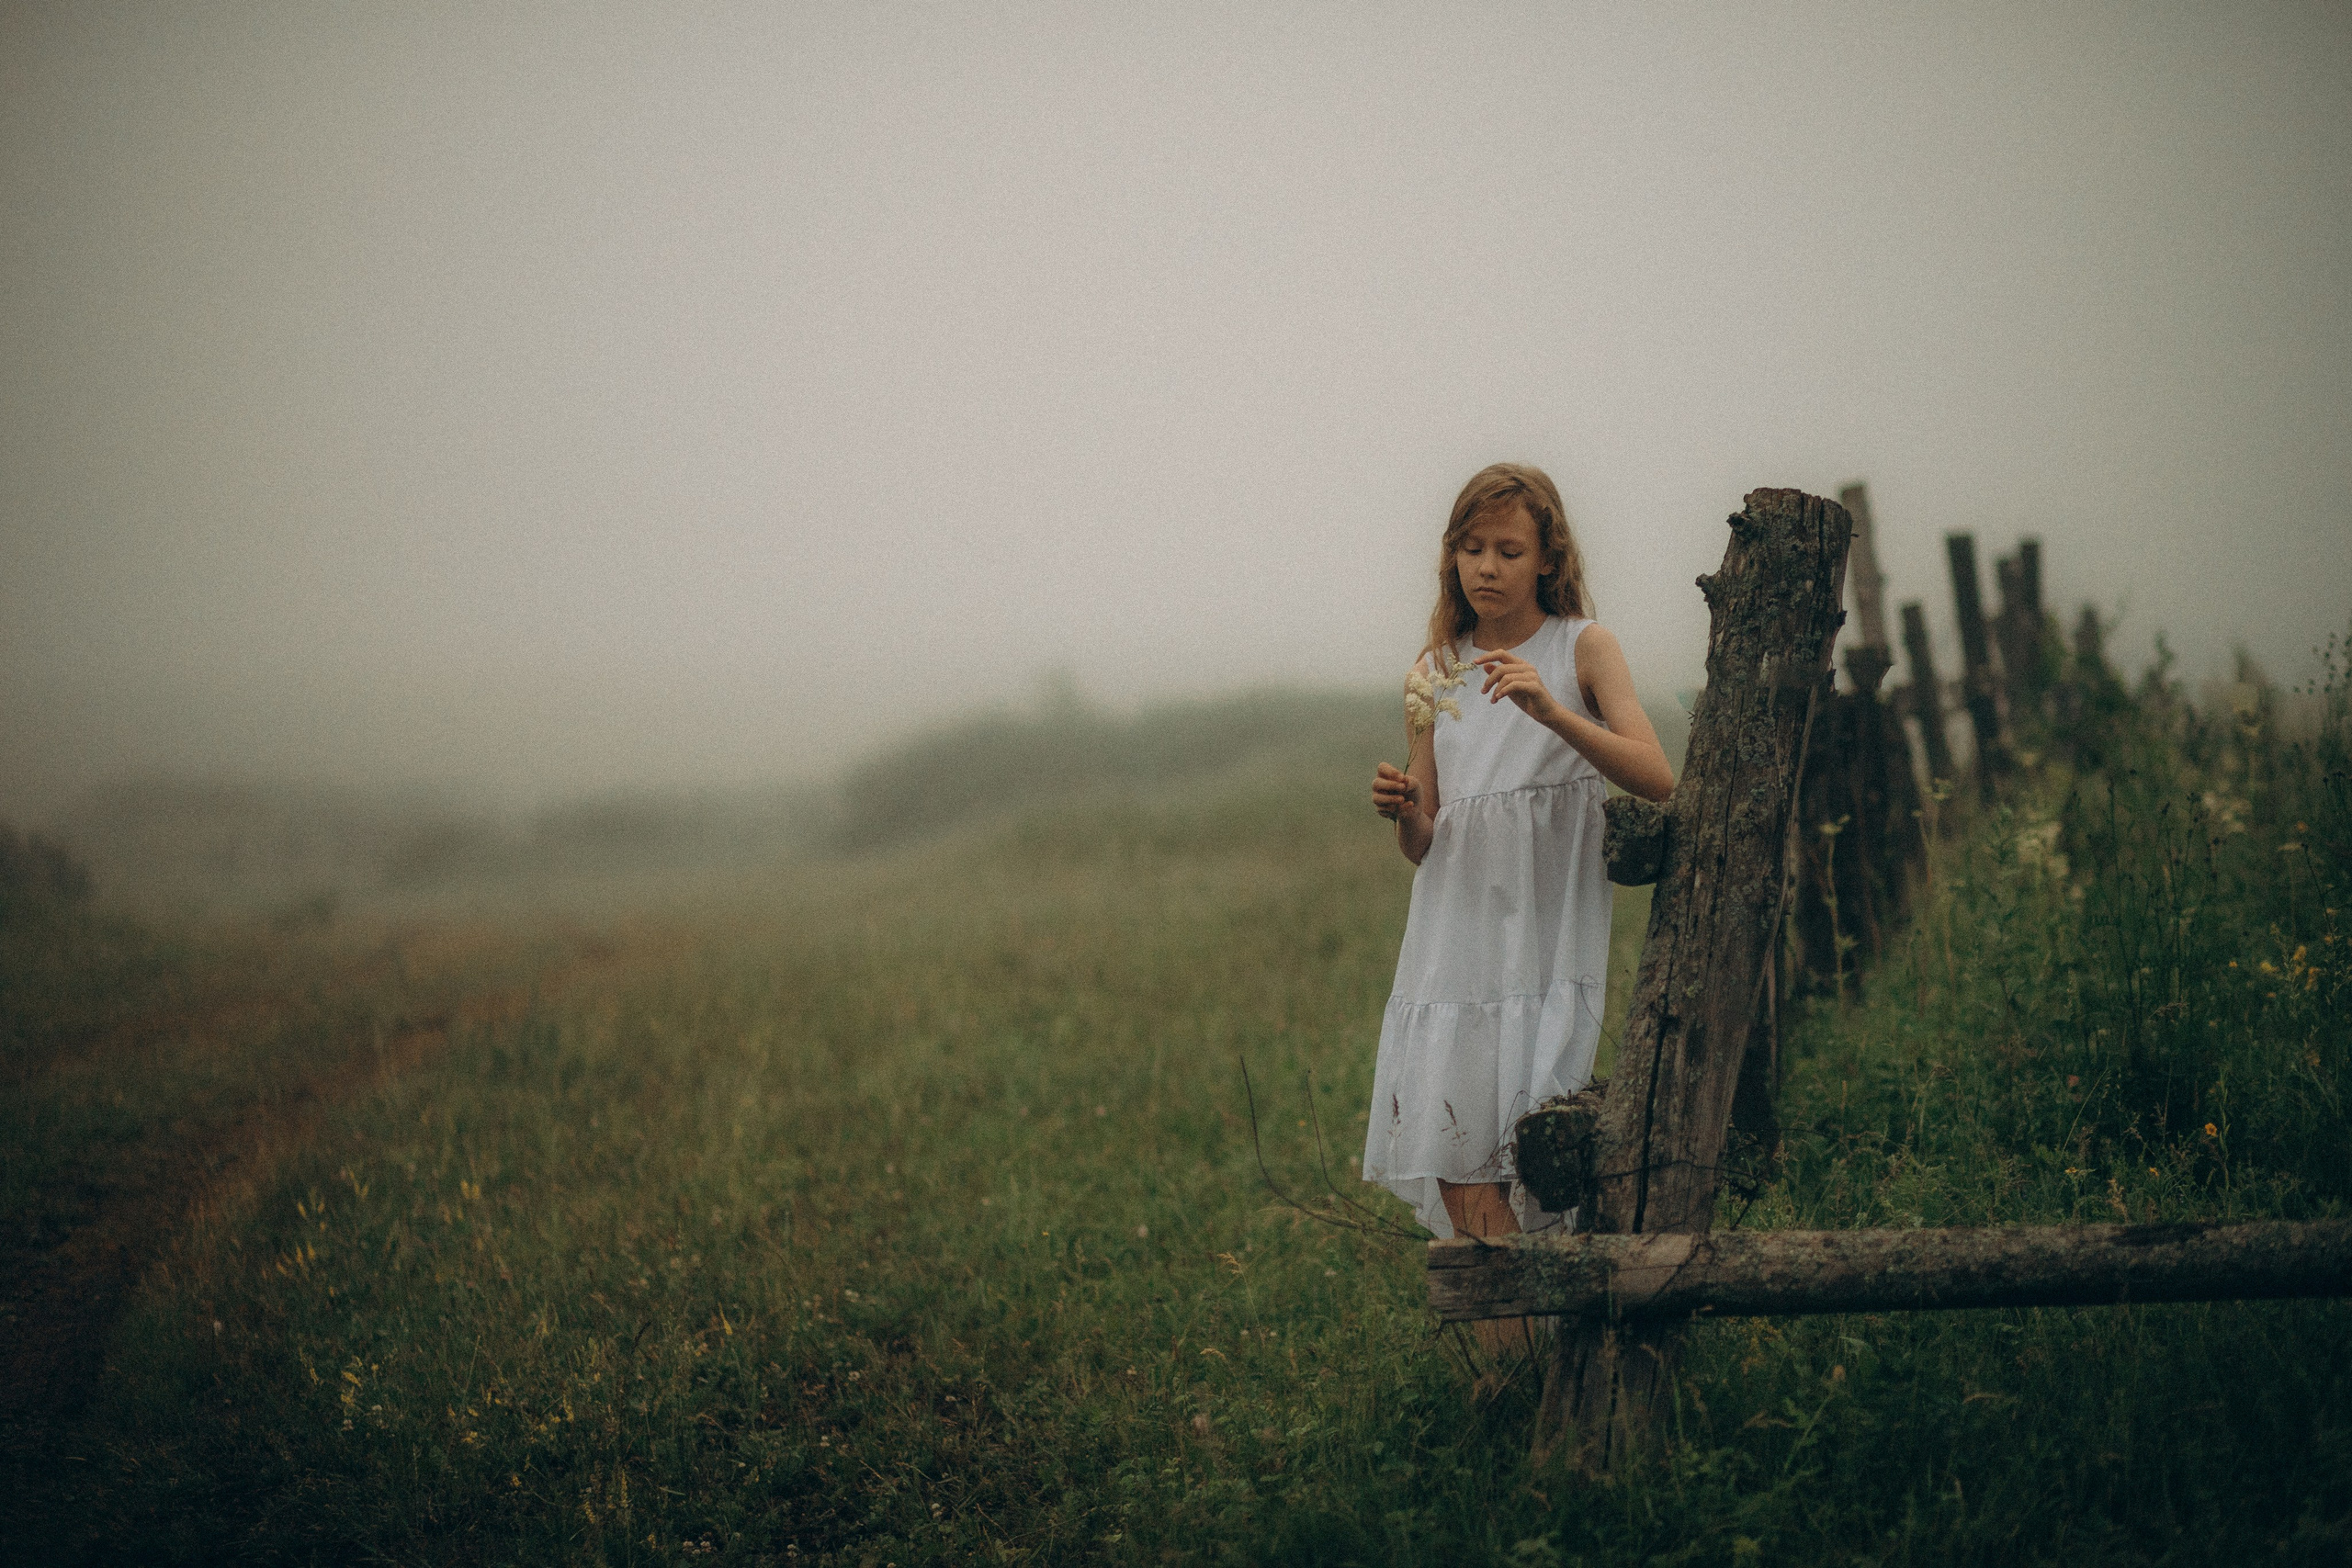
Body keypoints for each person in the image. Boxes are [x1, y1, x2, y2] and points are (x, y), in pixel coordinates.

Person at [1364, 464, 1672, 1360]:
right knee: (1460, 1157)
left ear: (1547, 558)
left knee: (1533, 1155)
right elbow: (1424, 839)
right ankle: (1510, 1375)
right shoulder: (1433, 671)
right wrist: (1403, 808)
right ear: (1449, 557)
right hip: (1451, 942)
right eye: (1470, 547)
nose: (1486, 567)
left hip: (1538, 945)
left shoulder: (1583, 649)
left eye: (1508, 549)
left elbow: (1656, 776)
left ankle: (1549, 1361)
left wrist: (1549, 712)